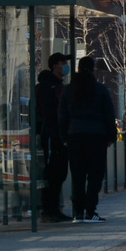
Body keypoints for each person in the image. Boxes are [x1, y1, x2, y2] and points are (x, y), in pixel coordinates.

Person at [63, 55, 120, 222]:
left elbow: (62, 115)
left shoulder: (69, 90)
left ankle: (78, 212)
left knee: (78, 176)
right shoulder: (100, 89)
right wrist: (111, 136)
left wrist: (64, 136)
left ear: (78, 68)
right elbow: (109, 114)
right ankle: (90, 211)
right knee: (95, 175)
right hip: (96, 137)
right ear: (93, 69)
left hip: (75, 137)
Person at [33, 53, 72, 222]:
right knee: (52, 173)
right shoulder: (45, 86)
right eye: (63, 62)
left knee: (60, 173)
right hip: (51, 135)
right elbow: (47, 112)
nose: (65, 66)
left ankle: (54, 208)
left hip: (61, 136)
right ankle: (48, 210)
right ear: (55, 65)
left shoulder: (60, 85)